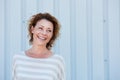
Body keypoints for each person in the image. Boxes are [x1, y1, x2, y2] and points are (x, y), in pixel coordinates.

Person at [12, 12, 66, 80]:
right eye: (40, 28)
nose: (44, 33)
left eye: (49, 30)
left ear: (52, 35)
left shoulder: (57, 60)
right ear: (32, 29)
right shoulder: (18, 58)